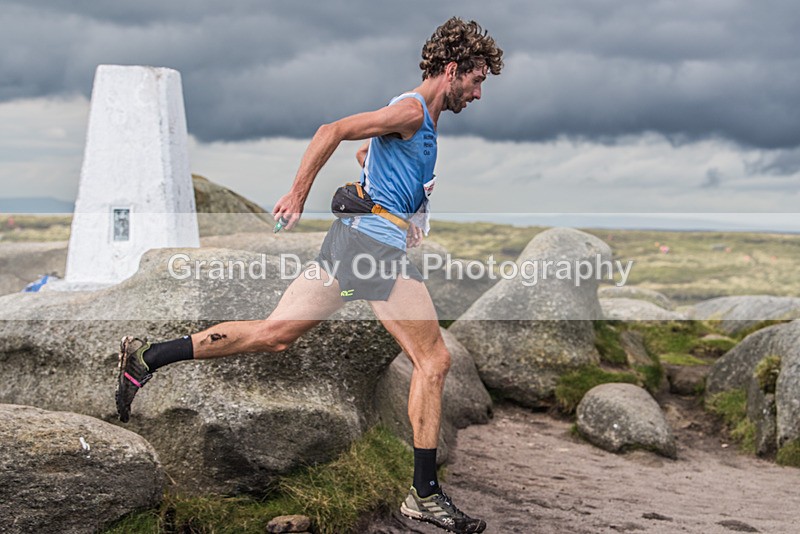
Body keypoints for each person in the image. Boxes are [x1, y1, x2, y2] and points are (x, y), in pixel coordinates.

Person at [116, 16, 503, 534]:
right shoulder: (410, 109)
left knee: (275, 334)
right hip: (371, 251)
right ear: (453, 70)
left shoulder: (415, 119)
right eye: (476, 80)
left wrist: (394, 200)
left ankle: (148, 357)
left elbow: (369, 148)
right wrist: (297, 195)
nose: (478, 93)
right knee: (433, 360)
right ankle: (423, 495)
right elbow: (333, 131)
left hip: (354, 246)